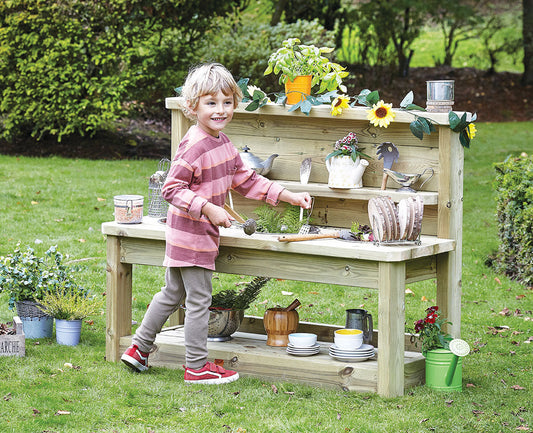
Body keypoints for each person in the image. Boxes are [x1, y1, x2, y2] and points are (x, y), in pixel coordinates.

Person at [121, 63, 312, 385]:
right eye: (211, 103)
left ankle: (139, 348)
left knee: (171, 293)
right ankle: (197, 367)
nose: (220, 110)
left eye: (226, 102)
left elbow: (245, 178)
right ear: (192, 106)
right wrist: (208, 208)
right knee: (199, 302)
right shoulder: (194, 144)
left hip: (189, 235)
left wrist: (287, 195)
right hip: (193, 235)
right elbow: (171, 188)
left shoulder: (221, 142)